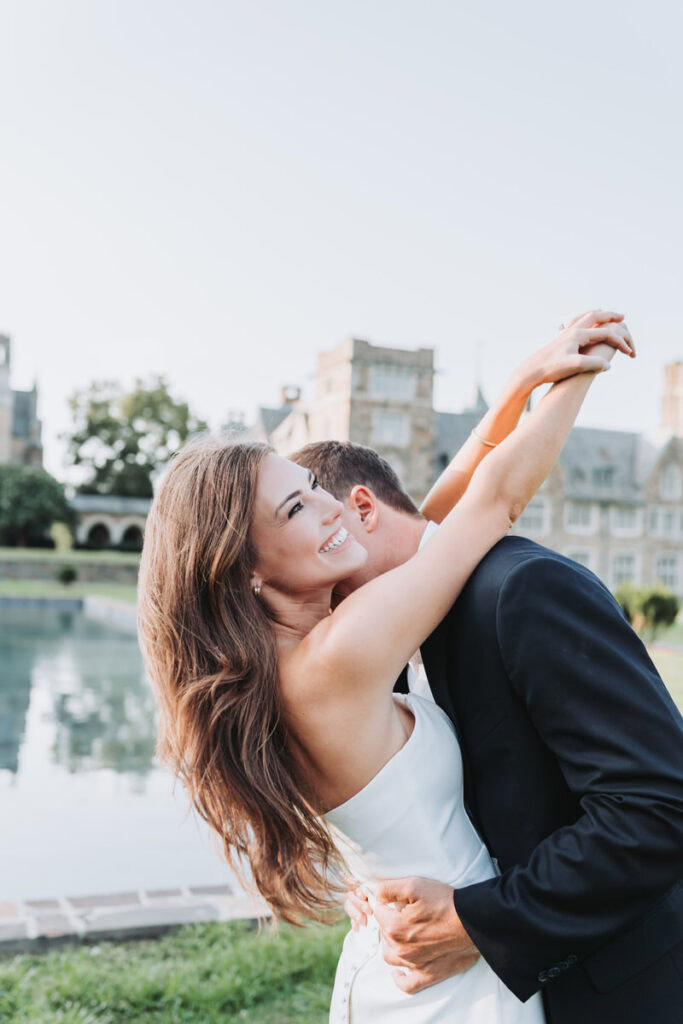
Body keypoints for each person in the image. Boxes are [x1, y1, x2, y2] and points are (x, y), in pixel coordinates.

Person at [138, 312, 635, 1022]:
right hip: (456, 974)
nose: (332, 506)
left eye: (312, 484)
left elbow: (424, 517)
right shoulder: (336, 660)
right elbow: (491, 503)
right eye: (296, 508)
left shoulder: (289, 662)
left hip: (400, 958)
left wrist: (517, 385)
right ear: (243, 571)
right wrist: (581, 371)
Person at [291, 326, 683, 1023]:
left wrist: (481, 921)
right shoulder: (372, 631)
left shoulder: (521, 591)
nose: (315, 601)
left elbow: (655, 807)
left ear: (356, 512)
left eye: (317, 555)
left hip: (610, 992)